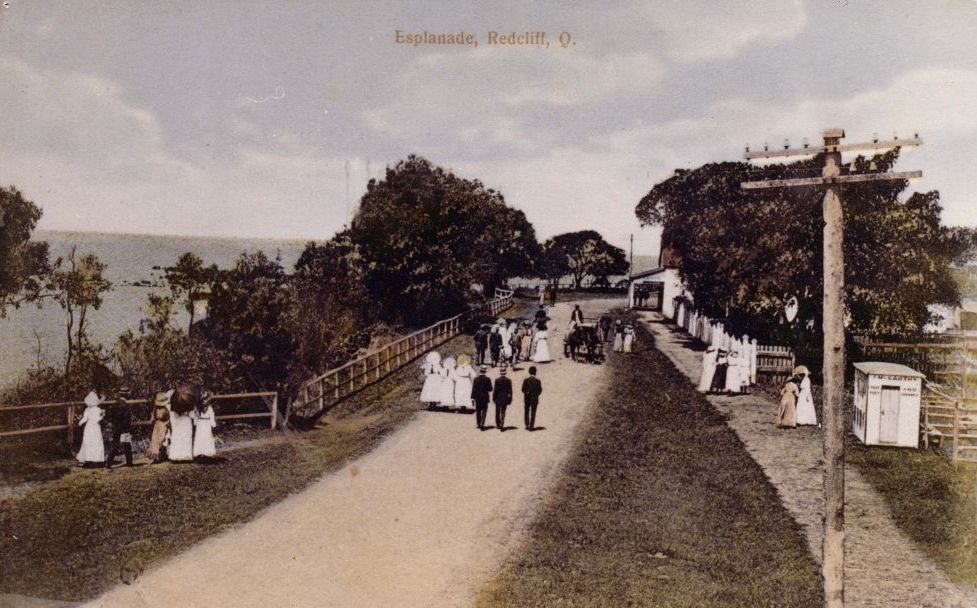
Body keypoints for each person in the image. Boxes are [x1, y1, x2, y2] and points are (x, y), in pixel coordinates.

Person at [106, 387, 134, 469]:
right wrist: (126, 428)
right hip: (124, 428)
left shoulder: (115, 403)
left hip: (116, 427)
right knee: (127, 445)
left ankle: (109, 463)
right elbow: (126, 418)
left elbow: (111, 416)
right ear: (126, 395)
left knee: (115, 445)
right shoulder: (125, 404)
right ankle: (129, 462)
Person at [77, 390, 106, 467]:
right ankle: (97, 459)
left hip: (89, 427)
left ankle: (88, 458)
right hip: (95, 427)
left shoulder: (87, 409)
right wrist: (103, 413)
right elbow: (100, 418)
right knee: (96, 442)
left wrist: (80, 423)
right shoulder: (98, 409)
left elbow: (84, 418)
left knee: (88, 442)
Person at [146, 390, 172, 463]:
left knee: (156, 440)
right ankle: (159, 456)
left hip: (157, 425)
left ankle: (157, 457)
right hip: (162, 425)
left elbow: (153, 418)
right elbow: (168, 418)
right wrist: (167, 424)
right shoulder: (165, 410)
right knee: (160, 440)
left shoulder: (156, 409)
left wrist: (152, 421)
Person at [192, 391, 218, 460]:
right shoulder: (202, 408)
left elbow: (211, 416)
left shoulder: (207, 408)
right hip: (203, 424)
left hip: (204, 424)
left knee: (204, 437)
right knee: (202, 437)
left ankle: (205, 452)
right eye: (203, 399)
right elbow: (196, 416)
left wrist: (213, 424)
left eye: (205, 399)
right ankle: (201, 452)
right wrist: (196, 423)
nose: (204, 401)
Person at [168, 397, 195, 463]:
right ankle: (185, 456)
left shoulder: (174, 408)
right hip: (186, 422)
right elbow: (192, 415)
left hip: (178, 423)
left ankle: (176, 456)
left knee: (177, 439)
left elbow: (172, 417)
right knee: (186, 439)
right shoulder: (188, 406)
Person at [471, 365, 493, 430]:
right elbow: (490, 389)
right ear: (485, 371)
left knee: (478, 411)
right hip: (485, 397)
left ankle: (478, 423)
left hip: (478, 398)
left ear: (480, 371)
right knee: (484, 411)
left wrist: (472, 397)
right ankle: (482, 423)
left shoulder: (476, 379)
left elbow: (474, 389)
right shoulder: (488, 379)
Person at [522, 366, 543, 430]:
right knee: (533, 412)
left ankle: (527, 424)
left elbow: (523, 390)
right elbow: (540, 390)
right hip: (534, 398)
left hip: (527, 398)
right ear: (535, 372)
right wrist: (536, 395)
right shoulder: (538, 381)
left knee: (526, 411)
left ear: (529, 372)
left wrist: (526, 393)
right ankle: (531, 426)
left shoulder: (526, 380)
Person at [493, 364, 513, 431]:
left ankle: (498, 424)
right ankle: (502, 423)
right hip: (505, 398)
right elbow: (510, 391)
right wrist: (510, 399)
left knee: (497, 411)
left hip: (498, 398)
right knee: (503, 411)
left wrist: (494, 398)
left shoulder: (497, 380)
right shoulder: (508, 380)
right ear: (505, 373)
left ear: (500, 373)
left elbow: (495, 390)